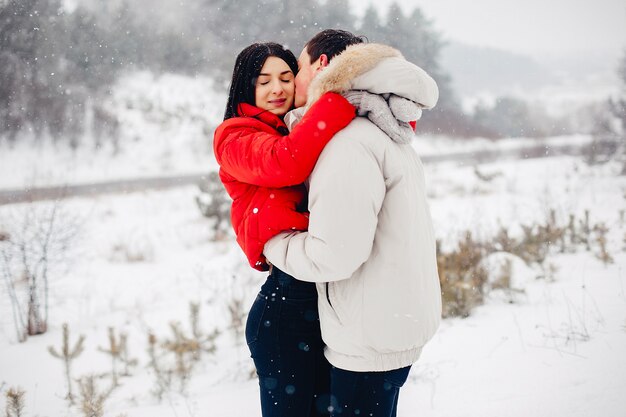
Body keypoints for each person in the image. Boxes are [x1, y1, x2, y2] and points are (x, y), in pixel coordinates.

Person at [264, 30, 443, 417]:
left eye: (299, 66)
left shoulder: (347, 141)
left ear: (322, 66)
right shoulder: (383, 125)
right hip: (390, 320)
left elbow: (335, 256)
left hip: (367, 337)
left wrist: (272, 240)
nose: (292, 79)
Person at [213, 42, 357, 417]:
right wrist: (337, 101)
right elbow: (285, 164)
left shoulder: (295, 127)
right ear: (246, 87)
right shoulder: (234, 136)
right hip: (284, 310)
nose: (277, 89)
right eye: (264, 81)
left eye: (286, 78)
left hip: (321, 300)